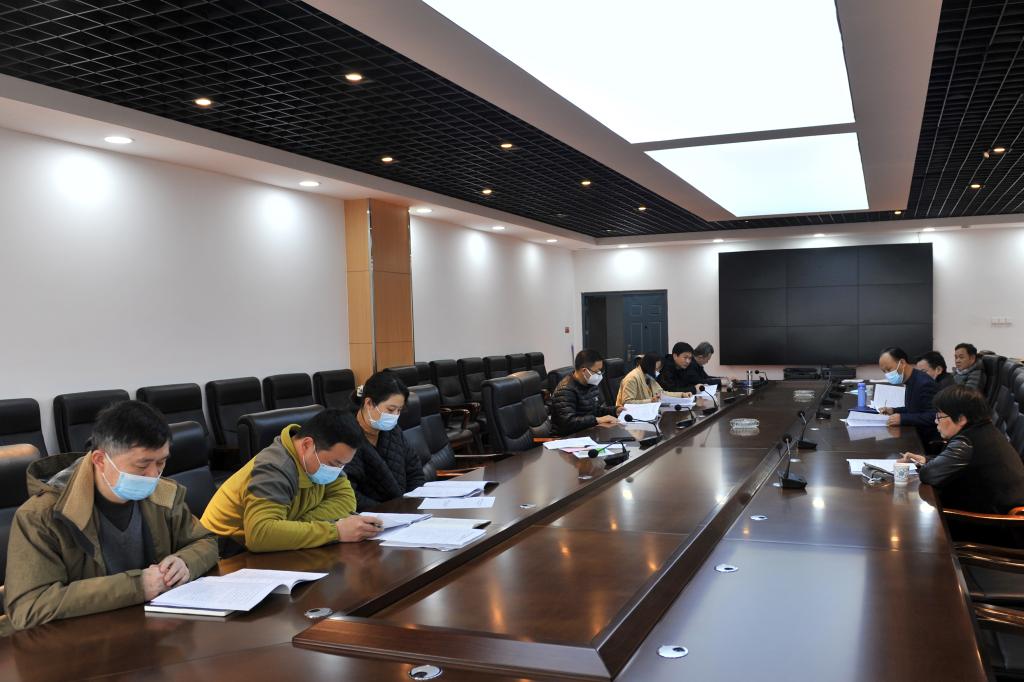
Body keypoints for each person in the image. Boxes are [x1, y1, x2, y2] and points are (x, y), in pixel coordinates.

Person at [4, 401, 218, 631]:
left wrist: (186, 562)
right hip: (82, 639)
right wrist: (137, 586)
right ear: (100, 460)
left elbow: (205, 541)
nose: (153, 475)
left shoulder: (163, 495)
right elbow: (29, 607)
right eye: (142, 465)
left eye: (161, 462)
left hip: (153, 629)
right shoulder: (41, 516)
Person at [201, 408, 380, 554]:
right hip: (225, 555)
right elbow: (261, 534)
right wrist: (336, 531)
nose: (337, 470)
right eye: (334, 464)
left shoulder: (323, 459)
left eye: (342, 465)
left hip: (270, 551)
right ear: (307, 445)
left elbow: (345, 501)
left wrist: (292, 528)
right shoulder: (274, 467)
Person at [898, 385, 1024, 514]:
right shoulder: (985, 430)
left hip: (991, 521)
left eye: (940, 416)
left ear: (961, 419)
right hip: (992, 510)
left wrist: (927, 465)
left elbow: (928, 475)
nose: (936, 421)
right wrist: (925, 459)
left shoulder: (965, 442)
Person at [343, 371, 425, 511]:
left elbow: (415, 472)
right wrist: (388, 510)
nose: (395, 416)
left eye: (399, 410)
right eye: (390, 410)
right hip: (371, 515)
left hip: (404, 511)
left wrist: (412, 503)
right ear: (369, 403)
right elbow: (348, 493)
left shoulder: (393, 431)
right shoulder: (345, 435)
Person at [876, 346, 940, 446]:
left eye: (888, 369)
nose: (887, 375)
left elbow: (934, 416)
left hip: (925, 441)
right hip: (915, 434)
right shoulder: (910, 380)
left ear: (902, 363)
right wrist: (893, 410)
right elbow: (914, 408)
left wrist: (902, 418)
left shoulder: (924, 383)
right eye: (884, 371)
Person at [551, 349, 620, 435]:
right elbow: (568, 422)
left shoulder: (590, 384)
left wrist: (615, 411)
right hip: (566, 438)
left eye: (600, 371)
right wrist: (597, 420)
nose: (599, 374)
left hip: (587, 432)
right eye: (597, 371)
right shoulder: (565, 390)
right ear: (584, 371)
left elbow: (595, 410)